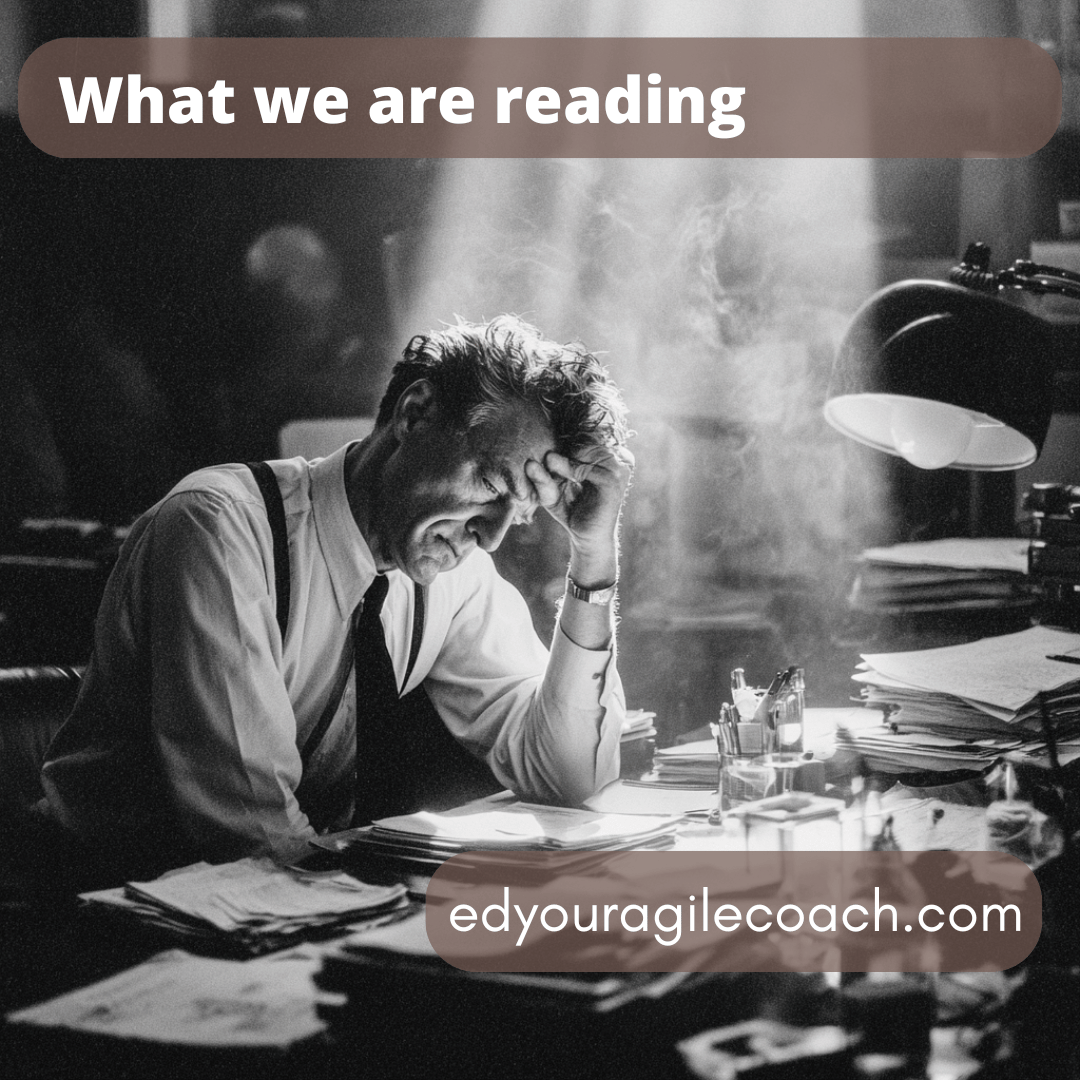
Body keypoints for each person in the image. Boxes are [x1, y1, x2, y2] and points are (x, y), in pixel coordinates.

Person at [40, 316, 633, 879]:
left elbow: (567, 777)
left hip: (280, 907)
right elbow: (253, 837)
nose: (492, 535)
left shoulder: (449, 569)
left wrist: (594, 557)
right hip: (100, 910)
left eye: (521, 515)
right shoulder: (222, 529)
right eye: (488, 484)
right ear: (415, 413)